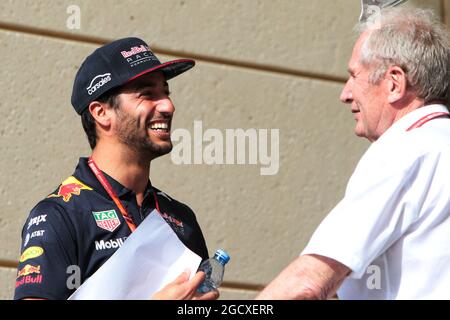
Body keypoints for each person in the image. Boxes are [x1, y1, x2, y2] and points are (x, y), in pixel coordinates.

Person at [257, 7, 450, 300]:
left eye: (354, 76)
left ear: (395, 83)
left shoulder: (405, 150)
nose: (345, 93)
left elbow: (308, 284)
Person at [14, 37, 217, 300]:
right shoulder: (60, 214)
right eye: (147, 94)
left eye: (166, 92)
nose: (168, 106)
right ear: (101, 113)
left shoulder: (181, 218)